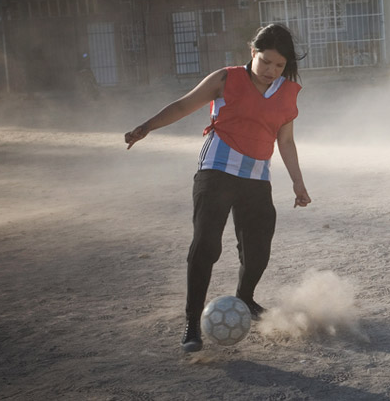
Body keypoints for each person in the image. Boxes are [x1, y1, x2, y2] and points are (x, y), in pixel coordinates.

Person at [124, 24, 311, 352]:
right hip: (216, 172)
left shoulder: (286, 92)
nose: (271, 70)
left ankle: (245, 299)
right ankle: (192, 322)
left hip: (256, 178)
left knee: (257, 253)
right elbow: (184, 105)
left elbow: (286, 140)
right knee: (207, 245)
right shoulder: (226, 78)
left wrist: (298, 181)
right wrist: (146, 127)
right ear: (253, 53)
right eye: (266, 61)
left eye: (279, 65)